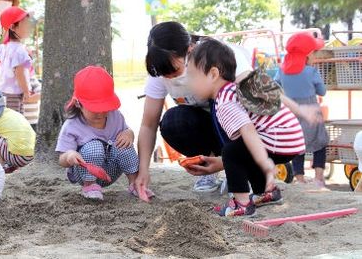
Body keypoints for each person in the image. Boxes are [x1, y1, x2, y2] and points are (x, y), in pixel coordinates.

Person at [135, 21, 322, 197]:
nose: (169, 78)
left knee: (221, 104)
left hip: (250, 131)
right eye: (163, 74)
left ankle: (243, 175)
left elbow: (260, 88)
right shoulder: (161, 71)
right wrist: (143, 170)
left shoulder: (222, 57)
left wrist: (299, 110)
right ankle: (211, 168)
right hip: (211, 130)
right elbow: (148, 125)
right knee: (173, 121)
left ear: (190, 50)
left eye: (174, 72)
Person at [186, 39, 305, 217]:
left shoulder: (225, 101)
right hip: (290, 137)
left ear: (213, 74)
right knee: (243, 150)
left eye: (192, 76)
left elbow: (248, 130)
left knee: (232, 152)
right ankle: (265, 191)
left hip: (281, 139)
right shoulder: (234, 90)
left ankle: (241, 204)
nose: (189, 83)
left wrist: (264, 161)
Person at [56, 66, 152, 201]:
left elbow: (126, 130)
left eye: (104, 107)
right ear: (78, 103)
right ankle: (90, 186)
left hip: (111, 169)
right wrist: (69, 156)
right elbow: (61, 159)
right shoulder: (72, 125)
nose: (100, 113)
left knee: (124, 145)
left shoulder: (115, 116)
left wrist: (129, 134)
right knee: (93, 146)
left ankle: (135, 183)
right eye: (94, 109)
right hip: (85, 171)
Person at [275, 32, 329, 188]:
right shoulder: (311, 72)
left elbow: (275, 85)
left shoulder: (282, 70)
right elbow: (322, 91)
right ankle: (319, 178)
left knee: (297, 145)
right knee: (320, 143)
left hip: (290, 111)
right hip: (311, 111)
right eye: (314, 53)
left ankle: (299, 179)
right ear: (308, 54)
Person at [0, 6, 40, 115]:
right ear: (13, 27)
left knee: (9, 120)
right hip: (15, 95)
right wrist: (26, 91)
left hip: (4, 92)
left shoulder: (5, 47)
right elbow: (19, 72)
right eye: (25, 24)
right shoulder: (20, 50)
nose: (28, 27)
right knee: (16, 121)